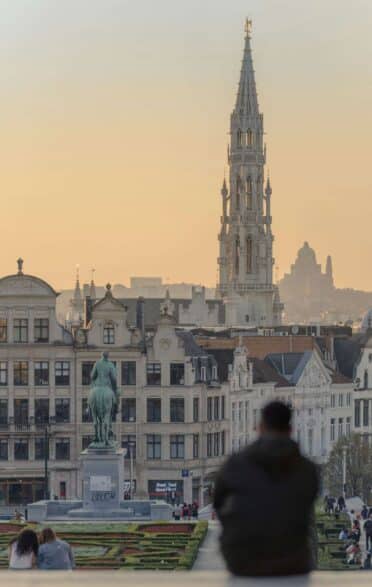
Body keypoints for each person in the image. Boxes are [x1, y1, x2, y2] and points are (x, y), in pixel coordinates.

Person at [214, 401, 319, 577]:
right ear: (290, 430)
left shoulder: (235, 464)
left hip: (242, 561)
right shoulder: (307, 469)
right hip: (293, 562)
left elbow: (218, 504)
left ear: (260, 427)